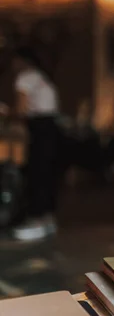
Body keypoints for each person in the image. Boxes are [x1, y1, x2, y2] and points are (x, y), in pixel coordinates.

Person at [11, 46, 62, 241]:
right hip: (53, 126)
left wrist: (9, 116)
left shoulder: (24, 77)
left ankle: (36, 221)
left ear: (22, 61)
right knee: (48, 173)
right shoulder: (42, 77)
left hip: (39, 127)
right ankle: (48, 220)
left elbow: (21, 108)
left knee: (36, 172)